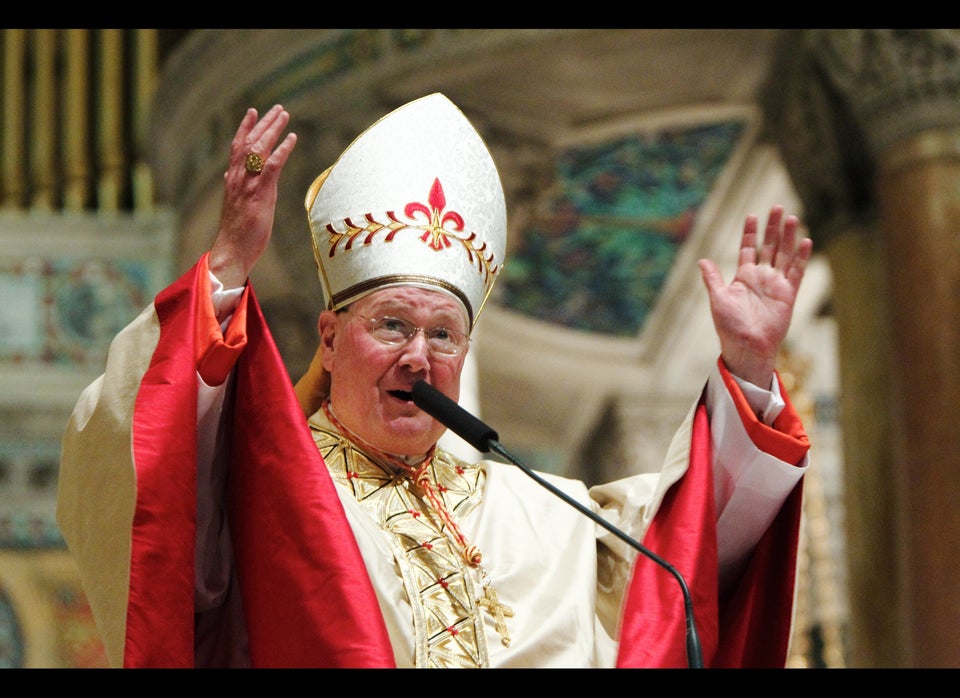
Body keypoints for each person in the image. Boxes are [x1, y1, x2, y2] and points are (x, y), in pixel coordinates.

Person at [57, 93, 813, 669]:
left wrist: (747, 370)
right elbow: (148, 485)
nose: (421, 356)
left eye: (444, 334)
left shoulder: (542, 514)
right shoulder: (265, 501)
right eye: (391, 325)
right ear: (329, 336)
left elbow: (688, 559)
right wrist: (224, 267)